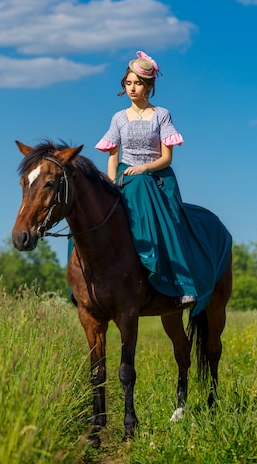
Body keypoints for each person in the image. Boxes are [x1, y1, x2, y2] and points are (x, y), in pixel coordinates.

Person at [95, 51, 232, 314]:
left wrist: (144, 168)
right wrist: (111, 183)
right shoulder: (118, 118)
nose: (132, 88)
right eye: (128, 83)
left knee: (158, 206)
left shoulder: (161, 115)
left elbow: (167, 158)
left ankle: (181, 283)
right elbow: (113, 157)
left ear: (149, 86)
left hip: (155, 176)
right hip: (125, 175)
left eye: (138, 83)